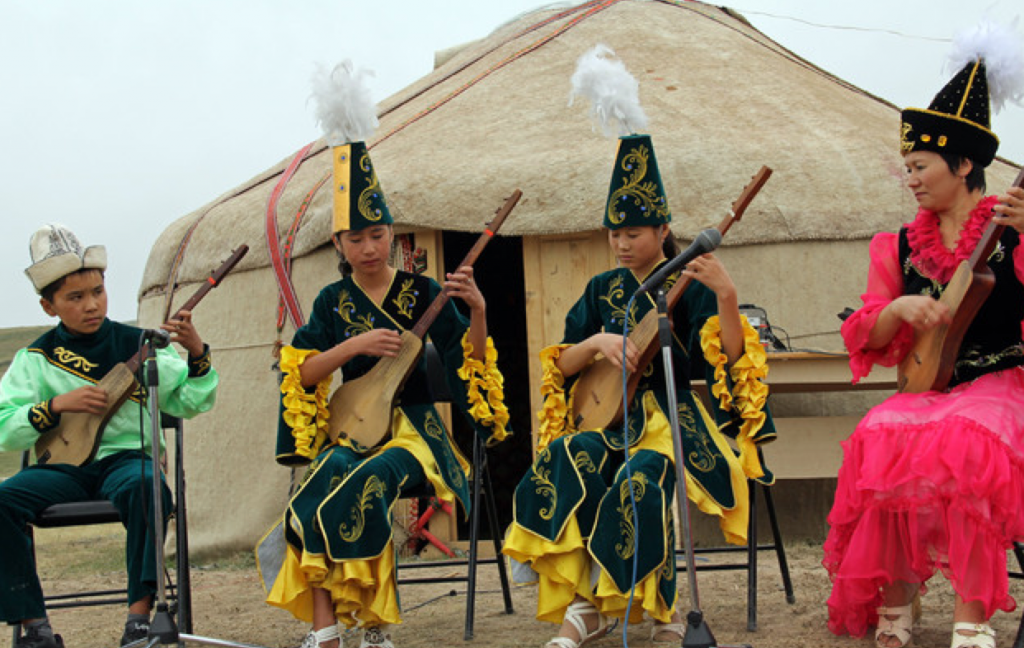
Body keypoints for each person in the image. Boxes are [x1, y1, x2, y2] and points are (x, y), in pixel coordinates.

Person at [502, 133, 773, 648]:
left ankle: (657, 605)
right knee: (571, 455)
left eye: (633, 233)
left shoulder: (688, 282)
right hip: (606, 418)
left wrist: (728, 295)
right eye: (614, 234)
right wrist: (599, 342)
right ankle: (591, 602)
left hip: (670, 416)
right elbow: (561, 364)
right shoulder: (599, 290)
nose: (622, 244)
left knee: (642, 479)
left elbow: (731, 358)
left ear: (665, 229)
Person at [263, 137, 510, 648]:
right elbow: (303, 372)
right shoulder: (332, 301)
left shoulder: (423, 294)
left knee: (369, 481)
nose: (369, 248)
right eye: (355, 239)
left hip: (415, 437)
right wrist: (352, 345)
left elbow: (470, 360)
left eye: (377, 235)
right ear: (338, 244)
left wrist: (479, 310)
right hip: (354, 429)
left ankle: (373, 626)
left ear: (393, 234)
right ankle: (325, 627)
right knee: (324, 480)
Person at [823, 24, 1024, 648]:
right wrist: (904, 308)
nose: (909, 178)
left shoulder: (1014, 229)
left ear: (963, 164)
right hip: (932, 387)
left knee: (968, 440)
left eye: (919, 165)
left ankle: (971, 617)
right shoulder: (900, 245)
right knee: (879, 432)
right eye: (907, 167)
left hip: (1003, 381)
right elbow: (867, 330)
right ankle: (897, 605)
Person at [0, 224, 219, 648]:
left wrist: (196, 354)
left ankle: (140, 620)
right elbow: (5, 425)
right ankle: (35, 627)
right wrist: (55, 407)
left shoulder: (139, 344)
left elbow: (189, 402)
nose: (91, 304)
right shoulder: (36, 358)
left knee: (146, 486)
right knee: (3, 499)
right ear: (49, 307)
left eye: (97, 292)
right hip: (64, 469)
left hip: (126, 459)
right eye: (75, 298)